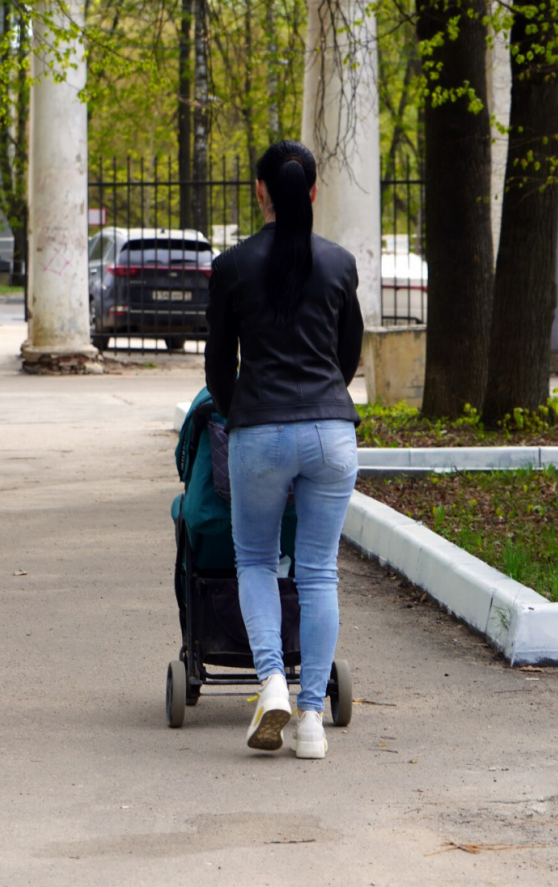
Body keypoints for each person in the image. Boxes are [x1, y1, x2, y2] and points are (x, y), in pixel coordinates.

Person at [204, 140, 364, 759]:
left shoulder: (233, 265)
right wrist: (323, 401)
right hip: (331, 429)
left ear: (259, 190)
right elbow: (347, 354)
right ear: (314, 192)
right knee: (318, 570)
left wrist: (233, 410)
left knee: (254, 559)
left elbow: (220, 364)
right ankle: (313, 718)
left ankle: (270, 680)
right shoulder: (339, 264)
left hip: (259, 430)